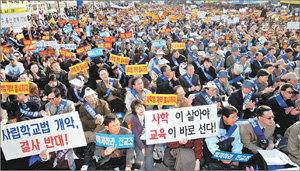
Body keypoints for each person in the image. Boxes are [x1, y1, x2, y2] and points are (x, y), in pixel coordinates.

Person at [204, 105, 242, 170]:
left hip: (227, 152)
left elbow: (237, 143)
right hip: (213, 152)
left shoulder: (235, 126)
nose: (235, 120)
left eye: (236, 117)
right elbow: (211, 144)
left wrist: (236, 158)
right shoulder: (214, 124)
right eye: (233, 117)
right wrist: (220, 157)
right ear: (224, 117)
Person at [240, 105, 276, 170]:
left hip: (264, 148)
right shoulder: (246, 125)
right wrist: (261, 151)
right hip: (249, 149)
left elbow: (270, 136)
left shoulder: (272, 124)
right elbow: (246, 143)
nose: (272, 120)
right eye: (269, 118)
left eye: (273, 117)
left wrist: (271, 144)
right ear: (260, 118)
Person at [130, 99, 154, 171]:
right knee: (140, 156)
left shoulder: (150, 115)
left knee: (149, 155)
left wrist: (159, 108)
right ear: (135, 111)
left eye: (141, 106)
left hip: (149, 140)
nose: (140, 109)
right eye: (137, 108)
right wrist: (142, 147)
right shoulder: (133, 119)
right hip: (139, 141)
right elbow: (136, 135)